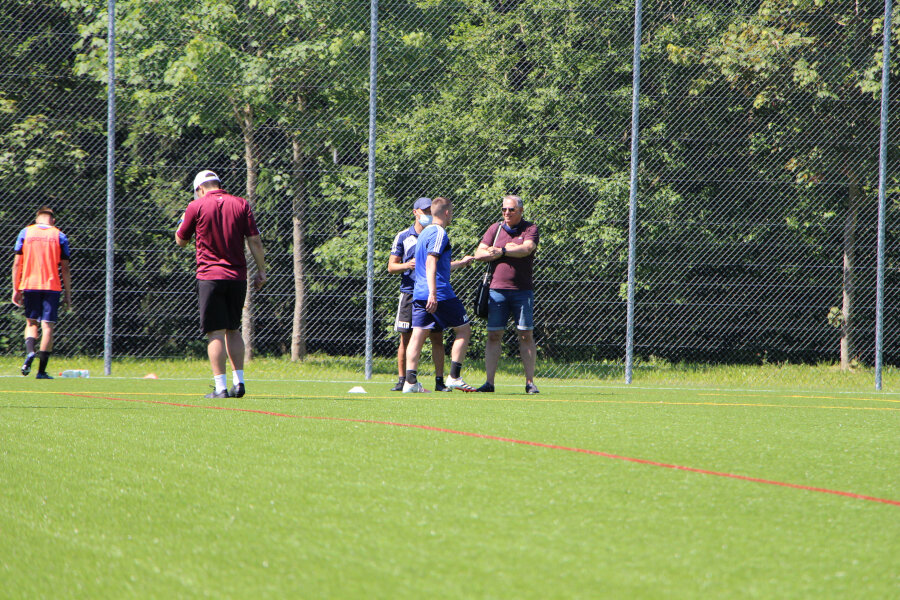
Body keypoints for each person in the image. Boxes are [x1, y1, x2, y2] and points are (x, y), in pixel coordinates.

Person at [176, 170, 266, 399]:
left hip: (210, 277)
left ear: (199, 189)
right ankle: (239, 383)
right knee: (233, 329)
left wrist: (183, 220)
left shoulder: (195, 206)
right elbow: (254, 240)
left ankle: (221, 388)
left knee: (215, 332)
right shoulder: (241, 204)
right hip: (237, 277)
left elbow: (181, 241)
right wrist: (262, 271)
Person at [403, 197, 475, 393]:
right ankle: (454, 377)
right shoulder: (439, 232)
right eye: (451, 212)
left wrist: (461, 263)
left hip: (419, 292)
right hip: (439, 292)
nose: (452, 216)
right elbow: (431, 263)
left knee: (417, 335)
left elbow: (437, 264)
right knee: (463, 330)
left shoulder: (424, 232)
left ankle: (410, 383)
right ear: (446, 212)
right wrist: (433, 294)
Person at [473, 195, 540, 394]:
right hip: (496, 291)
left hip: (523, 291)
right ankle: (489, 383)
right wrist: (502, 250)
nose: (507, 213)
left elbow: (526, 249)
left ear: (520, 210)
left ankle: (530, 383)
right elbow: (478, 254)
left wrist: (501, 251)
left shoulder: (530, 228)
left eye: (511, 209)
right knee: (494, 335)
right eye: (504, 209)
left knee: (525, 335)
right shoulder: (495, 229)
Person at [388, 197, 450, 392]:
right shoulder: (403, 236)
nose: (428, 214)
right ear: (415, 212)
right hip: (409, 293)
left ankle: (439, 381)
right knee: (406, 338)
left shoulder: (436, 233)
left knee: (437, 337)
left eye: (431, 211)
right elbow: (391, 266)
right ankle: (403, 380)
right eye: (425, 211)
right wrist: (407, 265)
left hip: (430, 292)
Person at [11, 206, 72, 379]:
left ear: (37, 219)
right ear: (53, 220)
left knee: (31, 323)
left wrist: (16, 288)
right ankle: (41, 371)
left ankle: (30, 351)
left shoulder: (26, 232)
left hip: (30, 284)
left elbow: (17, 263)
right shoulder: (59, 235)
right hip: (52, 286)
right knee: (47, 326)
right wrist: (68, 294)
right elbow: (65, 268)